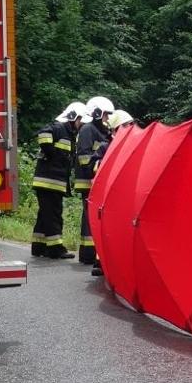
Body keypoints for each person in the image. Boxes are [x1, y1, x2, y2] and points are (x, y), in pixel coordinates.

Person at [31, 102, 84, 259]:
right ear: (73, 117)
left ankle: (38, 246)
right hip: (49, 182)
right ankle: (56, 249)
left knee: (44, 215)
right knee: (54, 215)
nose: (82, 124)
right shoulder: (60, 127)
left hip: (52, 182)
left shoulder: (70, 134)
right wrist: (51, 153)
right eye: (81, 119)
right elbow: (43, 134)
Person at [87, 109, 135, 277]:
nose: (130, 128)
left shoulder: (133, 146)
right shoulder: (106, 147)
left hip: (125, 196)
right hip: (108, 197)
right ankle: (100, 262)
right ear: (116, 129)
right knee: (107, 228)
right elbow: (95, 168)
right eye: (126, 126)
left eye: (131, 125)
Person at [74, 95, 116, 266]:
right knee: (89, 217)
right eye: (105, 114)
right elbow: (84, 158)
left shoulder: (101, 131)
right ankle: (87, 254)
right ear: (97, 113)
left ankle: (93, 252)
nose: (107, 118)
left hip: (97, 182)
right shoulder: (87, 130)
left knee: (94, 217)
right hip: (87, 181)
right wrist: (95, 170)